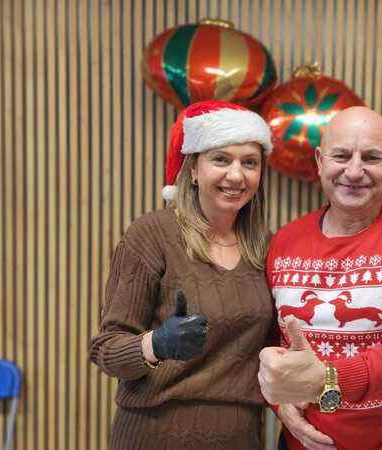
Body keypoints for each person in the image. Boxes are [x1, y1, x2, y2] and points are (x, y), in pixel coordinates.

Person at [258, 106, 382, 450]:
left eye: (371, 157)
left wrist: (328, 378)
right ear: (319, 161)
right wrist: (281, 404)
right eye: (342, 155)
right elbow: (270, 345)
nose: (354, 170)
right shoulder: (284, 242)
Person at [89, 100, 276, 450]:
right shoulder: (152, 235)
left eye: (249, 162)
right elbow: (106, 350)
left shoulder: (266, 248)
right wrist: (156, 344)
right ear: (192, 170)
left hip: (240, 437)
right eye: (221, 159)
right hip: (155, 435)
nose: (236, 175)